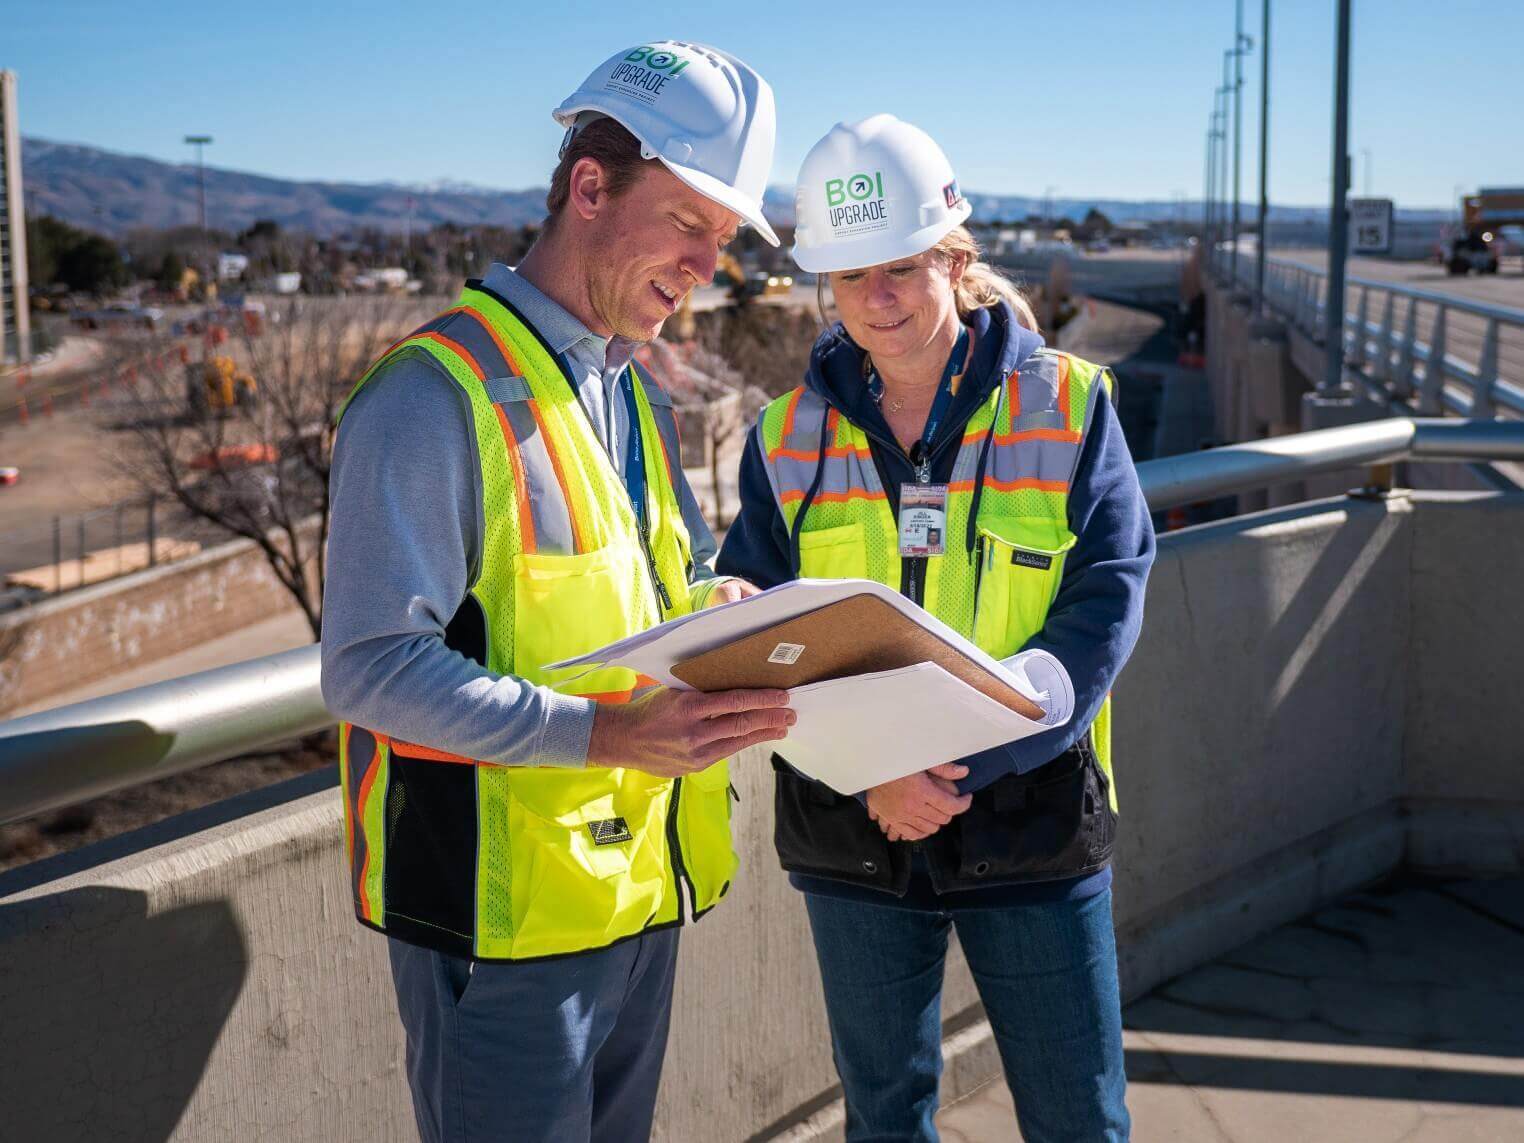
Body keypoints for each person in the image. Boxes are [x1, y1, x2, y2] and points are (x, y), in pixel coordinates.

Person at [320, 41, 795, 1143]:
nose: (704, 267)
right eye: (687, 224)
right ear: (590, 188)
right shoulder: (431, 396)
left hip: (633, 902)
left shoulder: (629, 394)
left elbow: (636, 596)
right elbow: (369, 667)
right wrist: (611, 739)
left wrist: (720, 610)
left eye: (722, 242)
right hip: (499, 929)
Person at [718, 114, 1155, 1141]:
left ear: (955, 263)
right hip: (852, 827)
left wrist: (970, 757)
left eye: (904, 267)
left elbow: (1107, 598)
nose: (879, 298)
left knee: (1077, 1120)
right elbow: (758, 626)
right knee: (883, 1119)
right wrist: (869, 769)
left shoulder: (1068, 407)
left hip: (1032, 817)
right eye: (852, 274)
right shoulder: (783, 440)